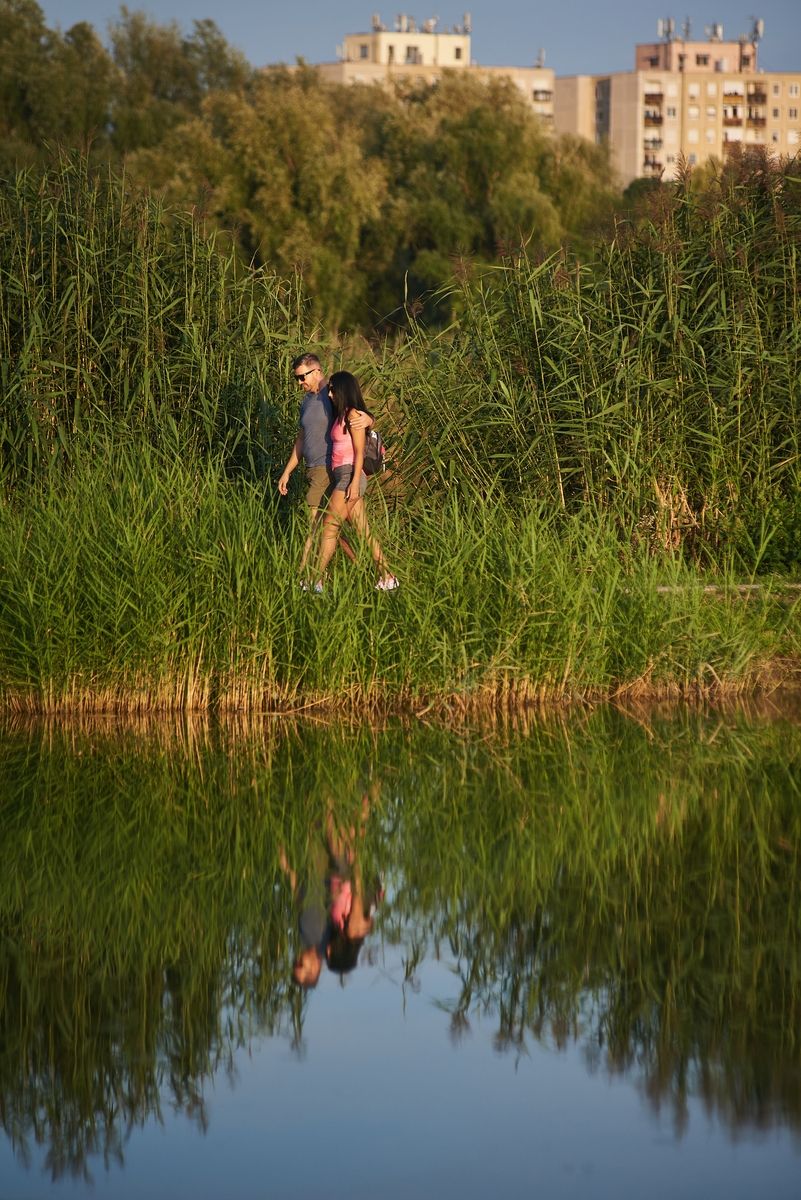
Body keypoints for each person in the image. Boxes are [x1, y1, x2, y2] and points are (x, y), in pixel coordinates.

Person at [277, 353, 371, 583]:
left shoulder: (331, 392)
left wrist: (370, 419)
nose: (299, 383)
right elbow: (302, 438)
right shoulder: (307, 401)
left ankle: (305, 577)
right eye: (296, 378)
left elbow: (355, 411)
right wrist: (288, 471)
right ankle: (367, 572)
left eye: (302, 377)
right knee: (337, 529)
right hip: (312, 469)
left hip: (328, 468)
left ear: (316, 370)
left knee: (316, 525)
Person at [316, 370, 398, 592]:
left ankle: (315, 580)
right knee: (364, 532)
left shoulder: (353, 415)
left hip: (350, 475)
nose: (330, 393)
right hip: (343, 476)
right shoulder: (341, 414)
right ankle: (388, 577)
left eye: (333, 389)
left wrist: (353, 483)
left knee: (330, 525)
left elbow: (359, 452)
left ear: (344, 389)